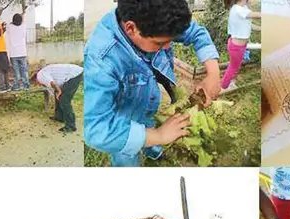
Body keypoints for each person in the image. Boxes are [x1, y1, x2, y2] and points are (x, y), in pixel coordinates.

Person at [84, 0, 221, 166]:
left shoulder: (161, 19)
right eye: (160, 43)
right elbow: (96, 129)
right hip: (125, 122)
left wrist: (213, 73)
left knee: (151, 125)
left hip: (147, 103)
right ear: (131, 28)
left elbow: (197, 32)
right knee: (127, 157)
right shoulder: (101, 61)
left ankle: (154, 150)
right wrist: (159, 135)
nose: (167, 47)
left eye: (172, 39)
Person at [221, 0, 260, 91]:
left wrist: (262, 28)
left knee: (234, 66)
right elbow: (258, 15)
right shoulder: (238, 10)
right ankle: (223, 87)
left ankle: (228, 83)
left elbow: (249, 25)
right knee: (233, 68)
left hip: (239, 46)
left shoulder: (243, 9)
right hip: (236, 48)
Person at [34, 63, 83, 133]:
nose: (38, 85)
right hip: (70, 74)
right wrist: (57, 92)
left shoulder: (40, 76)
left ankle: (71, 126)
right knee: (58, 95)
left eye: (36, 84)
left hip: (74, 74)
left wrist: (59, 91)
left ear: (35, 79)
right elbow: (53, 88)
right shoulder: (43, 73)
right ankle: (59, 117)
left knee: (64, 100)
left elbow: (53, 83)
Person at [4, 11, 29, 90]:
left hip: (14, 53)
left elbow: (8, 25)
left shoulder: (9, 27)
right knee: (24, 70)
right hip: (22, 52)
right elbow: (22, 22)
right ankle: (26, 86)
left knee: (16, 71)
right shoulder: (24, 26)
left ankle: (17, 86)